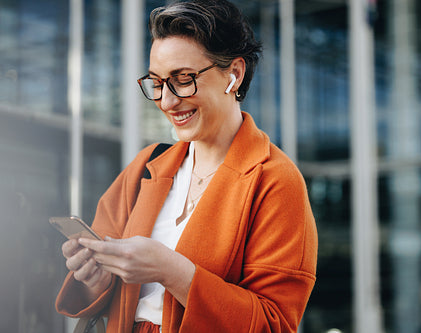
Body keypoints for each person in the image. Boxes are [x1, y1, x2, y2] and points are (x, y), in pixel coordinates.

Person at [55, 0, 318, 332]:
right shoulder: (147, 165)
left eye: (183, 79)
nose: (166, 101)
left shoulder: (275, 181)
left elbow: (274, 324)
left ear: (234, 75)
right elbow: (110, 299)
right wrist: (97, 276)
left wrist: (172, 270)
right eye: (157, 82)